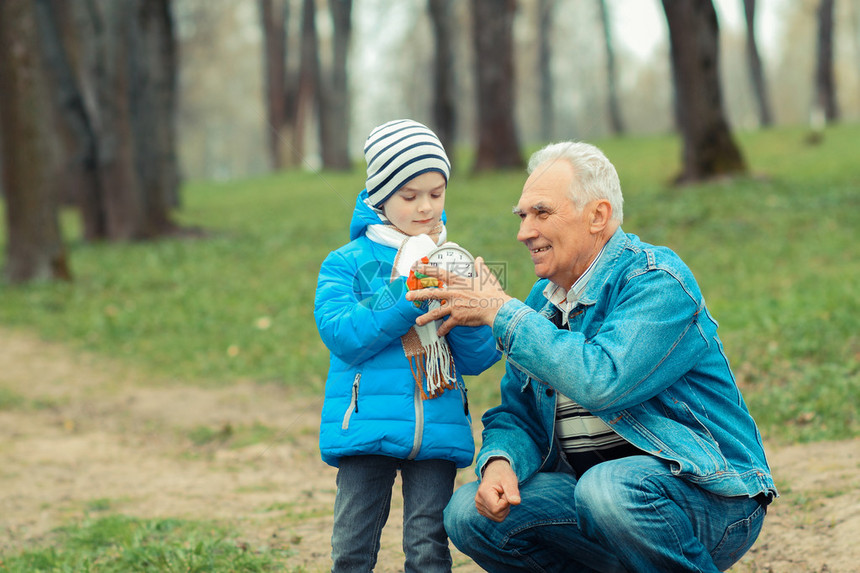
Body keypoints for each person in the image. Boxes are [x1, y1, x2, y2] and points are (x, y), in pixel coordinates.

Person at [405, 141, 778, 572]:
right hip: (598, 500)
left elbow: (604, 379)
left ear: (597, 216)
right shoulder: (541, 305)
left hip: (710, 499)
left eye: (541, 213)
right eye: (522, 216)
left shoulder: (657, 281)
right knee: (469, 512)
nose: (524, 232)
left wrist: (501, 312)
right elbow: (518, 415)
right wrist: (501, 463)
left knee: (606, 488)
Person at [315, 119, 500, 573]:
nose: (425, 207)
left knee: (428, 550)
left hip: (437, 423)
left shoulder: (452, 259)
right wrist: (408, 290)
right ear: (380, 196)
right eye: (409, 195)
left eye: (436, 194)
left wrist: (475, 311)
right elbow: (343, 335)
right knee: (353, 547)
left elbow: (476, 360)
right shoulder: (346, 263)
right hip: (366, 426)